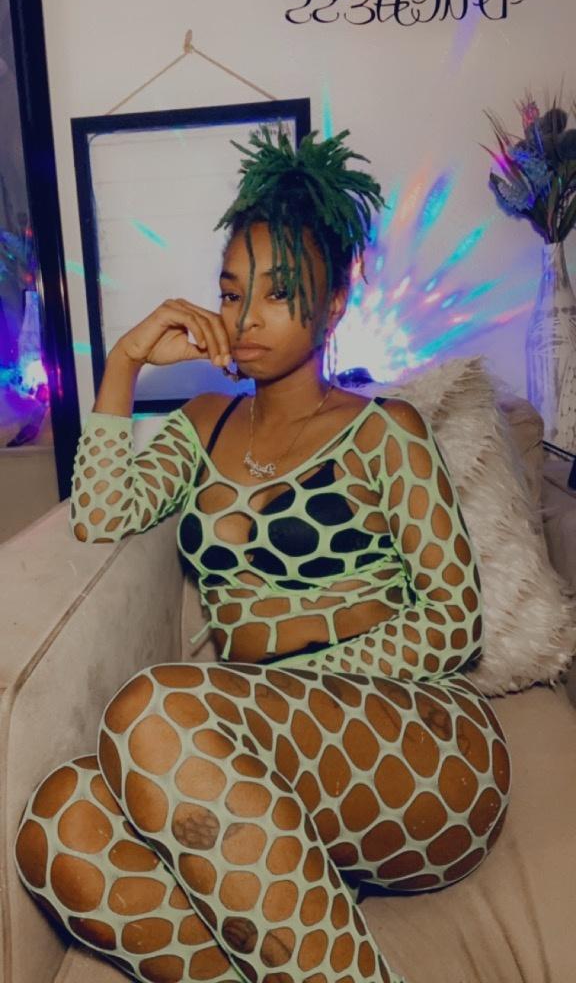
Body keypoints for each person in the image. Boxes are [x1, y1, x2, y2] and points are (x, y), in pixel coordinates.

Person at [14, 125, 511, 983]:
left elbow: (453, 622)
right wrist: (125, 363)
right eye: (230, 291)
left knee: (154, 713)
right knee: (59, 826)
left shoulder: (383, 431)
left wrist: (283, 682)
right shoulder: (202, 424)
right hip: (259, 759)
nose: (244, 319)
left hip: (417, 744)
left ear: (334, 303)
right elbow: (100, 513)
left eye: (278, 294)